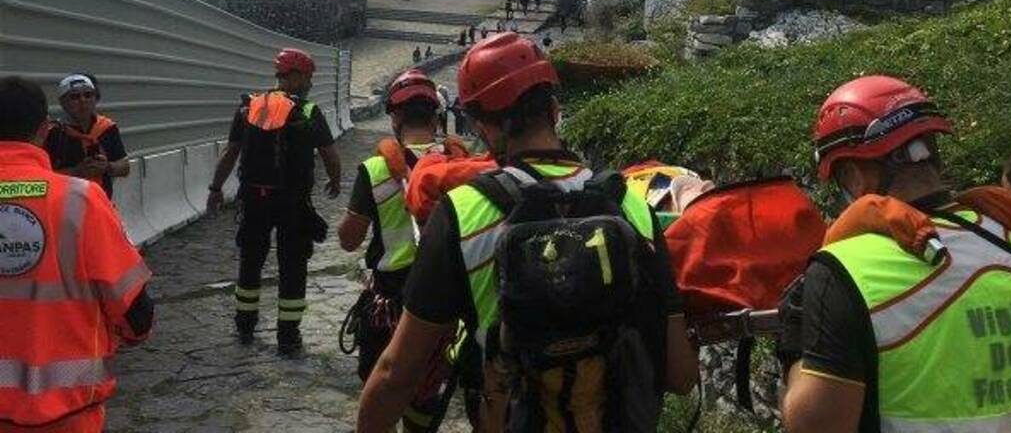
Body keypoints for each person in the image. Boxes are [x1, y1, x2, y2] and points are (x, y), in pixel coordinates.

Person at [357, 33, 699, 432]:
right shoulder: (631, 206)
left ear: (482, 125)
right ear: (554, 110)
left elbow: (397, 373)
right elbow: (680, 375)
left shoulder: (462, 212)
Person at [779, 75, 1011, 433]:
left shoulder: (845, 271)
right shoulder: (1009, 235)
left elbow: (816, 426)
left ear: (852, 174)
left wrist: (795, 347)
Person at [0, 76, 154, 431]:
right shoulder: (79, 200)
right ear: (43, 129)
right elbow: (133, 308)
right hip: (68, 412)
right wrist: (132, 334)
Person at [338, 69, 466, 432]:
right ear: (437, 114)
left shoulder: (376, 169)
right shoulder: (461, 164)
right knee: (427, 392)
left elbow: (349, 239)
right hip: (447, 303)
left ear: (393, 117)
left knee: (382, 385)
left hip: (390, 302)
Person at [208, 48, 341, 356]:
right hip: (293, 202)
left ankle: (244, 324)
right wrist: (334, 180)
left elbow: (231, 153)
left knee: (250, 261)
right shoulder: (308, 111)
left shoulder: (249, 108)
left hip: (254, 199)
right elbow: (330, 154)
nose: (309, 83)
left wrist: (215, 188)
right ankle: (288, 336)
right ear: (297, 76)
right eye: (307, 77)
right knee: (292, 265)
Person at [43, 74, 129, 199]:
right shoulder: (53, 133)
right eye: (75, 97)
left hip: (103, 203)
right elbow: (43, 178)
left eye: (88, 95)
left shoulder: (107, 128)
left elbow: (125, 167)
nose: (83, 101)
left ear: (95, 99)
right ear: (63, 102)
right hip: (67, 204)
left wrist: (107, 167)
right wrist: (77, 172)